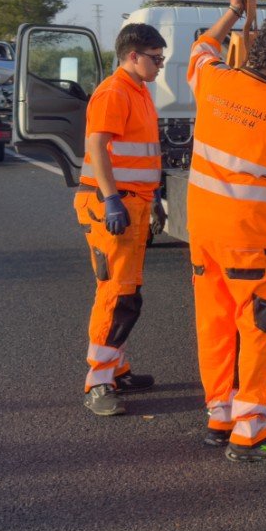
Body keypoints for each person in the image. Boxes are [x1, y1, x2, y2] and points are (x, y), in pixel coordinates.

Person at [186, 0, 266, 462]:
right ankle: (251, 429)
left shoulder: (213, 80)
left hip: (204, 234)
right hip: (251, 242)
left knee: (214, 324)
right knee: (256, 329)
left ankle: (219, 416)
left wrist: (234, 11)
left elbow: (203, 47)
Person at [75, 22, 168, 417]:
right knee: (116, 294)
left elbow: (141, 153)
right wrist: (112, 199)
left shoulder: (139, 90)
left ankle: (117, 368)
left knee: (127, 291)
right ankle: (98, 381)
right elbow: (97, 143)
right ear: (133, 56)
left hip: (134, 204)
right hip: (114, 206)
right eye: (156, 58)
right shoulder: (115, 92)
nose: (161, 65)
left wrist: (156, 199)